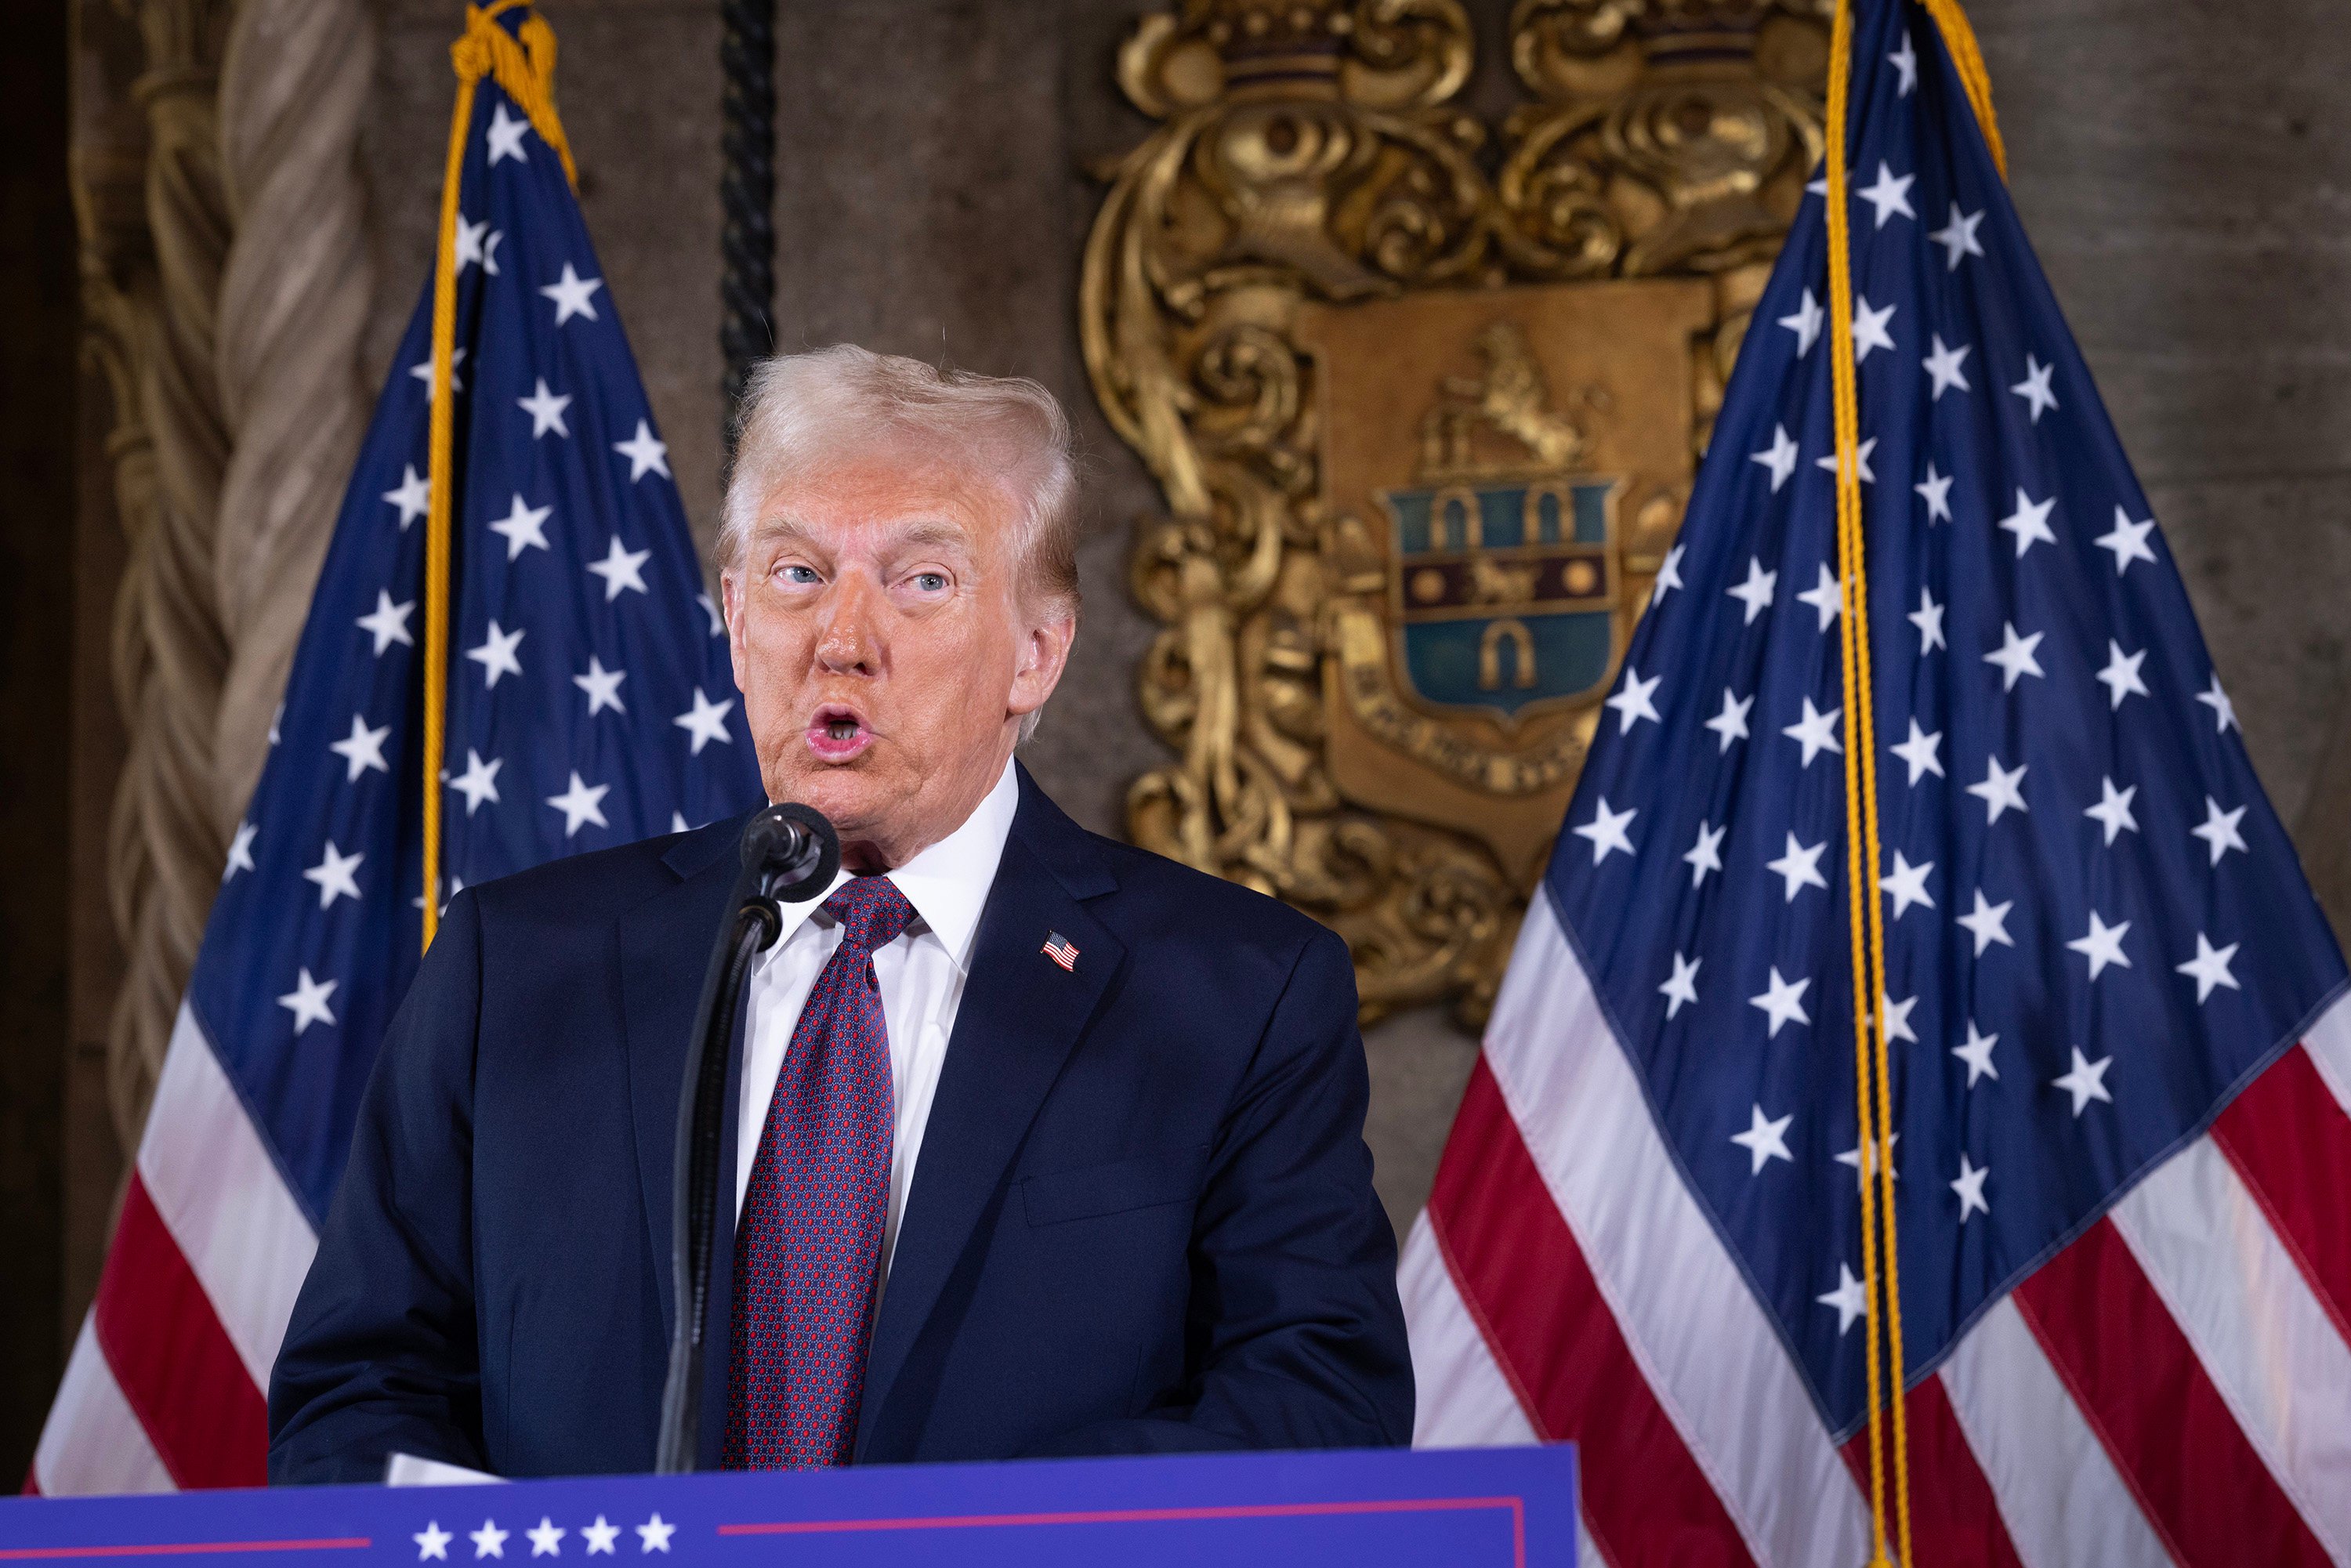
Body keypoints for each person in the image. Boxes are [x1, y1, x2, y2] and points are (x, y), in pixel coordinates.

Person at [268, 346, 1411, 1479]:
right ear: (734, 619)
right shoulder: (515, 967)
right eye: (798, 574)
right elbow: (358, 1392)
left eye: (923, 582)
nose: (842, 641)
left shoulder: (1237, 995)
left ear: (1038, 653)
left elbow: (1314, 1399)